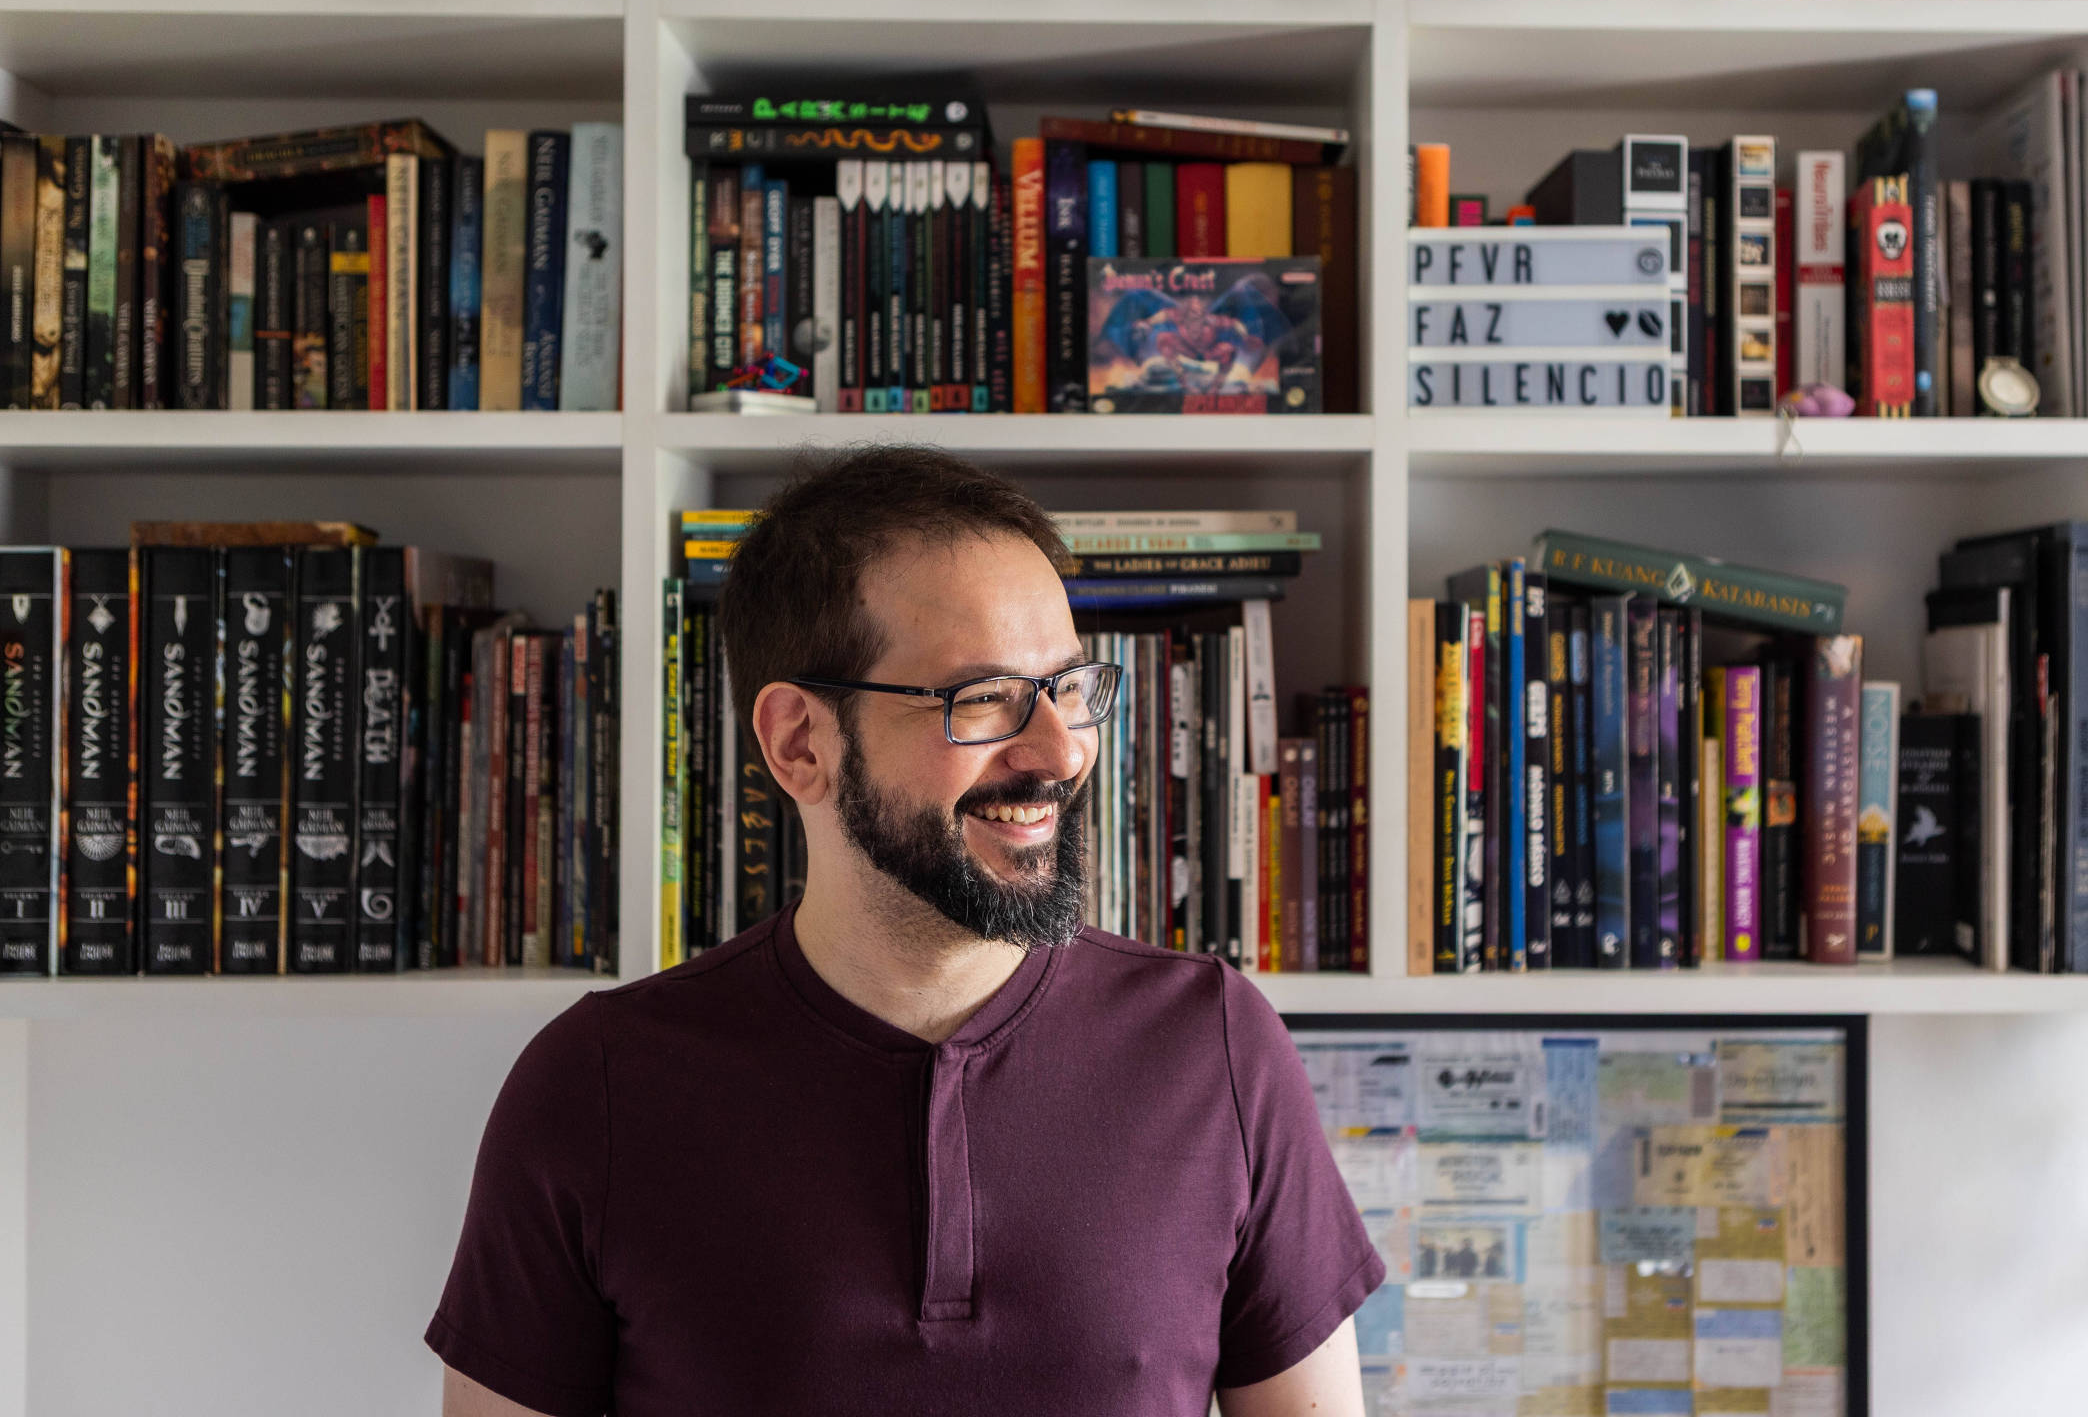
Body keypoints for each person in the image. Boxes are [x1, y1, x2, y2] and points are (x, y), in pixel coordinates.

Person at [427, 445, 1383, 1417]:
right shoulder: (595, 1084)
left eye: (1069, 686)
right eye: (984, 699)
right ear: (800, 740)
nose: (1059, 750)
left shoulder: (1217, 1044)